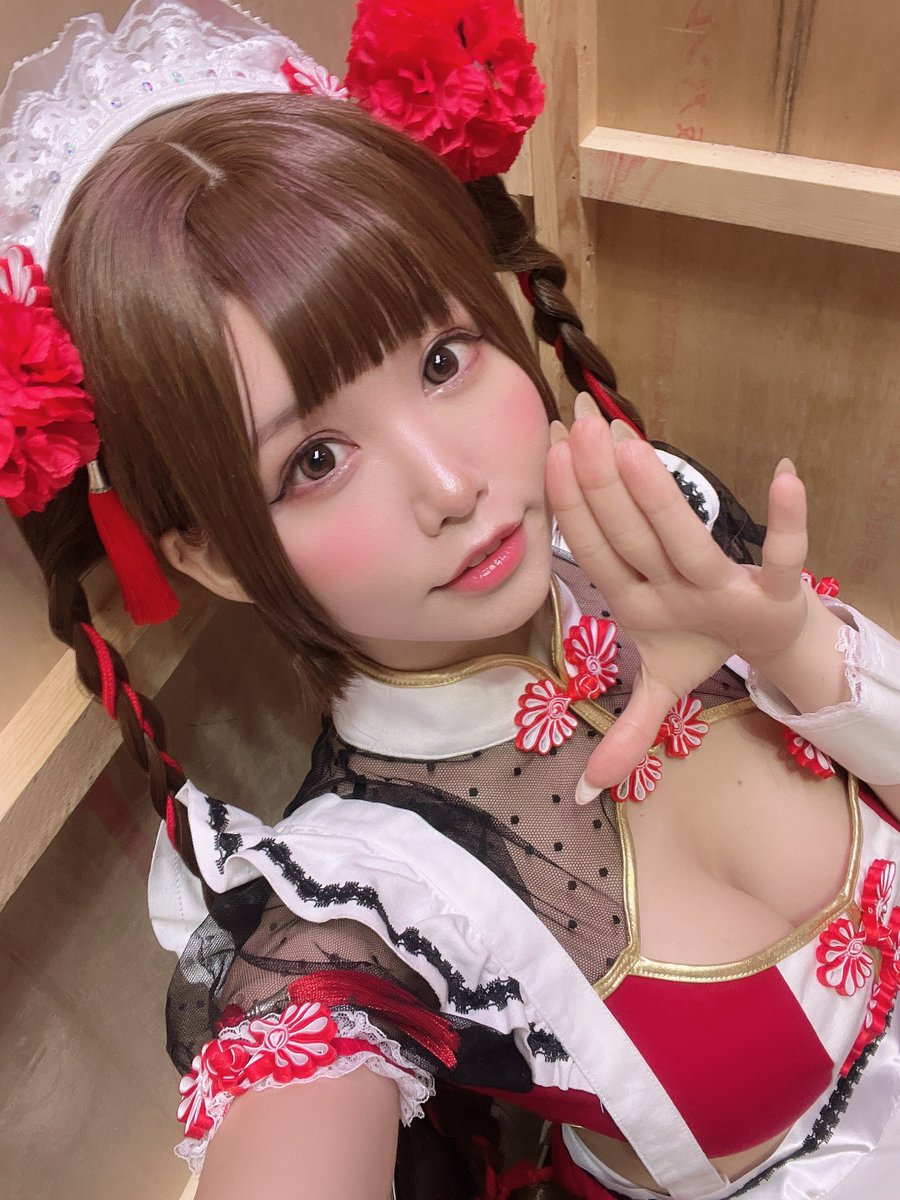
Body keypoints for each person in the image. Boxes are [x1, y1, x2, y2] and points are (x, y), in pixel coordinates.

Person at [2, 2, 900, 1197]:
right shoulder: (366, 895)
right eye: (315, 460)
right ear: (212, 556)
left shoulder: (652, 523)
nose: (451, 485)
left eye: (442, 359)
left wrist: (799, 651)